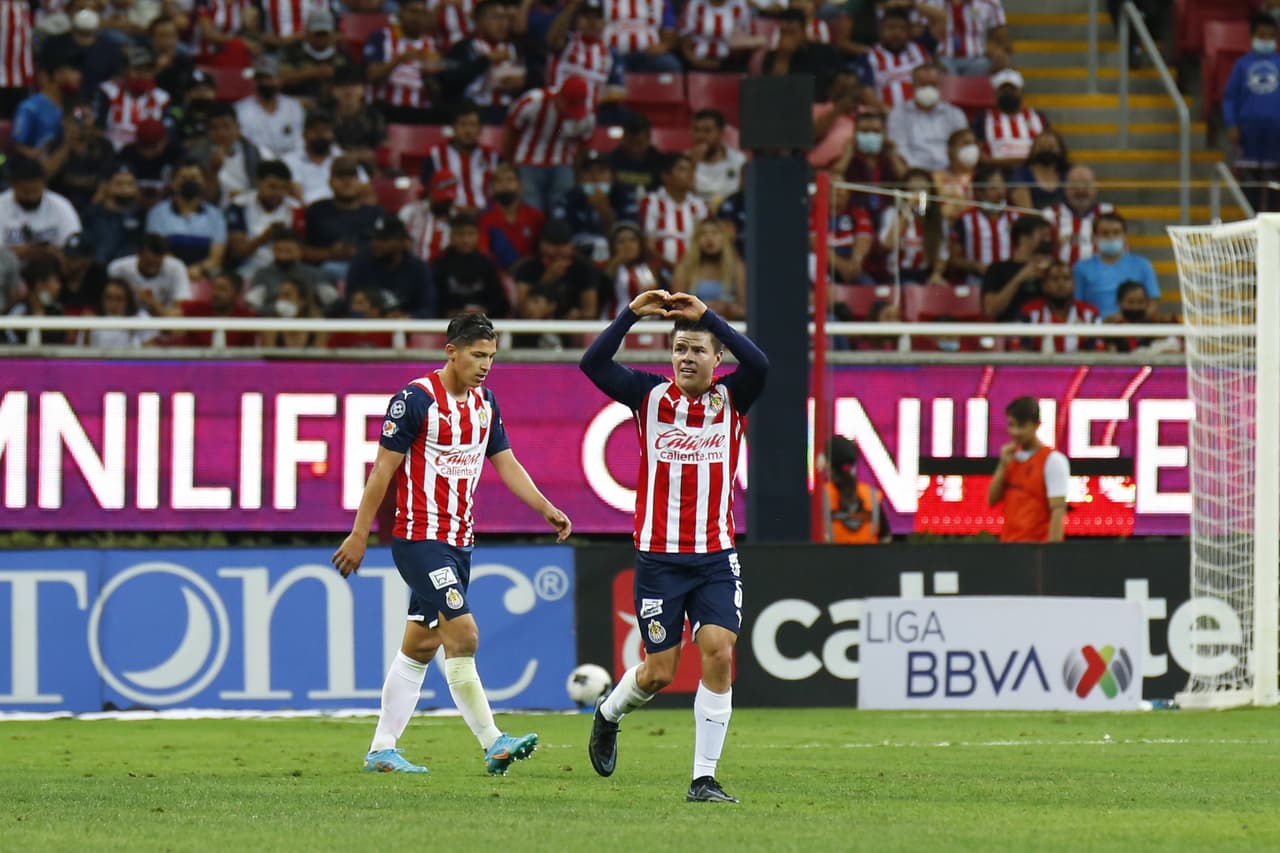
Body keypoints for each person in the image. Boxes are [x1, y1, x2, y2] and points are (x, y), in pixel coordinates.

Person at [332, 313, 571, 776]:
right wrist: (359, 533)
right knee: (464, 635)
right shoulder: (415, 400)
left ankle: (382, 748)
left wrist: (544, 507)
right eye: (477, 355)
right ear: (451, 352)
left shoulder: (485, 404)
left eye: (491, 357)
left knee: (420, 646)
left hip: (460, 542)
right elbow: (381, 470)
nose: (485, 365)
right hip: (420, 538)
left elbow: (506, 462)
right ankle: (493, 741)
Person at [579, 289, 768, 804]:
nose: (687, 358)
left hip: (715, 556)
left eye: (698, 349)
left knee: (719, 651)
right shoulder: (648, 396)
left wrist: (710, 317)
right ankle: (608, 713)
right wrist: (629, 315)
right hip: (659, 560)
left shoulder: (733, 399)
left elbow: (760, 363)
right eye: (680, 349)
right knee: (659, 672)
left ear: (717, 357)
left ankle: (703, 778)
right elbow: (593, 364)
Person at [502, 75, 596, 214]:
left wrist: (577, 171)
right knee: (532, 210)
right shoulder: (533, 101)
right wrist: (508, 161)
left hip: (563, 162)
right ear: (559, 97)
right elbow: (510, 130)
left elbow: (583, 145)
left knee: (563, 208)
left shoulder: (587, 115)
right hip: (527, 161)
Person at [988, 396, 1068, 544]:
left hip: (1036, 550)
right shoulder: (1010, 458)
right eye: (1011, 425)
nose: (1015, 432)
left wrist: (1052, 553)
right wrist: (1003, 466)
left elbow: (1058, 511)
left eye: (1021, 426)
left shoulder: (1053, 461)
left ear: (1037, 425)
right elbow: (991, 500)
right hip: (1008, 547)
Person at [1223, 14, 1280, 211]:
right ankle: (1251, 220)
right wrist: (1232, 124)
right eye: (1262, 36)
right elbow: (1230, 97)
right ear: (1252, 36)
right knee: (1249, 188)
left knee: (1274, 190)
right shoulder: (1242, 65)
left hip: (1276, 136)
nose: (1266, 40)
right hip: (1248, 135)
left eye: (1270, 36)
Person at [303, 156, 384, 280]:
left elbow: (386, 251)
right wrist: (331, 253)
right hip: (323, 275)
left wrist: (359, 253)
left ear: (360, 183)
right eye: (340, 177)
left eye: (352, 177)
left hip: (367, 274)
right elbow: (302, 252)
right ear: (330, 182)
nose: (347, 182)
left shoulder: (376, 213)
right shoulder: (316, 211)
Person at [445, 0, 527, 124]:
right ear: (479, 21)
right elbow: (450, 81)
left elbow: (536, 78)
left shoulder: (518, 48)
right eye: (496, 18)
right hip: (475, 113)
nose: (503, 24)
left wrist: (523, 82)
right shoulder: (463, 48)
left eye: (506, 18)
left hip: (510, 112)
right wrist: (486, 60)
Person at [363, 0, 444, 124]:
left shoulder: (431, 44)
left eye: (422, 13)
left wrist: (428, 77)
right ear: (401, 12)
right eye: (413, 12)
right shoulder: (381, 37)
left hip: (418, 109)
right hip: (385, 106)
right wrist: (400, 59)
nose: (418, 17)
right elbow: (372, 75)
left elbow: (435, 92)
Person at [145, 162, 228, 281]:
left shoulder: (216, 215)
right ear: (172, 183)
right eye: (183, 178)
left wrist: (199, 269)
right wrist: (182, 271)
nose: (189, 182)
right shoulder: (157, 213)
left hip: (203, 276)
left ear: (204, 182)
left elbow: (215, 258)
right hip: (167, 275)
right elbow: (158, 250)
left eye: (194, 178)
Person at [555, 149, 639, 262]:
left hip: (618, 255)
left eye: (601, 171)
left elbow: (630, 235)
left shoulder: (625, 197)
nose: (595, 177)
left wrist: (605, 211)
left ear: (612, 176)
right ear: (579, 177)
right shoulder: (567, 199)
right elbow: (561, 237)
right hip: (578, 256)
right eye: (588, 172)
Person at [1071, 211, 1159, 319]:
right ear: (1094, 237)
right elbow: (1077, 306)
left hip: (1133, 325)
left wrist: (1126, 321)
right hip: (1096, 326)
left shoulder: (1143, 265)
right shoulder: (1081, 268)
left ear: (1125, 236)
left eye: (1116, 232)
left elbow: (1153, 306)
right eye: (1105, 233)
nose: (1111, 237)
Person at [512, 219, 600, 325]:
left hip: (572, 328)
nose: (558, 250)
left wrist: (579, 315)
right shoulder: (528, 267)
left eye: (563, 244)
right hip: (534, 327)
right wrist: (547, 279)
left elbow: (591, 311)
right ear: (541, 244)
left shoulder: (583, 268)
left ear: (571, 245)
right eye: (553, 244)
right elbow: (520, 309)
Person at [348, 216, 438, 319]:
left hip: (406, 326)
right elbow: (350, 302)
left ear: (401, 242)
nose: (376, 244)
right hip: (367, 325)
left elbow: (429, 309)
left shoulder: (418, 269)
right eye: (375, 238)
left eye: (384, 240)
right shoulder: (361, 264)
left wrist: (407, 317)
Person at [225, 160, 302, 278]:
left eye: (283, 188)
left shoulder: (295, 208)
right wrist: (264, 237)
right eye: (272, 187)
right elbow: (237, 253)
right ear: (259, 183)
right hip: (247, 269)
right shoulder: (239, 205)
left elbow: (301, 251)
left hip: (285, 271)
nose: (278, 193)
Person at [886, 63, 968, 173]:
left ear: (940, 86)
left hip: (949, 172)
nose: (928, 89)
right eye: (923, 84)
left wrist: (947, 173)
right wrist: (919, 173)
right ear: (913, 86)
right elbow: (899, 148)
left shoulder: (955, 114)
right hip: (913, 173)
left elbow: (960, 147)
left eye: (933, 84)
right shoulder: (898, 114)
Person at [547, 0, 626, 112]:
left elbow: (619, 90)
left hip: (589, 114)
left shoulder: (611, 53)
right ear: (577, 19)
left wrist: (593, 97)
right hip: (556, 110)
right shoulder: (566, 42)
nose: (591, 22)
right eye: (586, 17)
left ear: (604, 22)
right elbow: (551, 39)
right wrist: (571, 8)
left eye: (597, 18)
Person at [188, 101, 273, 205]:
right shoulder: (196, 158)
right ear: (207, 132)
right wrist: (213, 171)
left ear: (238, 127)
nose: (221, 133)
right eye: (214, 128)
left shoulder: (259, 153)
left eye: (226, 126)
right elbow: (203, 200)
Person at [422, 105, 499, 215]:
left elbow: (499, 191)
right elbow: (429, 190)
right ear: (454, 128)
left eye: (473, 125)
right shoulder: (435, 155)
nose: (468, 130)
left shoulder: (492, 156)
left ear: (480, 129)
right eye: (463, 124)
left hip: (485, 217)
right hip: (447, 216)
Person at [0, 156, 83, 258]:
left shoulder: (60, 205)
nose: (31, 196)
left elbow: (74, 243)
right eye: (25, 191)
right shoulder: (2, 205)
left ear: (44, 185)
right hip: (9, 266)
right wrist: (18, 253)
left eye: (35, 191)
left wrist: (54, 252)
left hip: (50, 264)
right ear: (14, 185)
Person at [431, 213, 511, 318]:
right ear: (451, 236)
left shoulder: (487, 264)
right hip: (446, 323)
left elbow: (499, 301)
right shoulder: (439, 265)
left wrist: (485, 311)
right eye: (460, 234)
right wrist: (450, 313)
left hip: (483, 322)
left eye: (471, 234)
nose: (466, 240)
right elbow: (432, 301)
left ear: (478, 235)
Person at [879, 168, 949, 286]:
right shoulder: (892, 213)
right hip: (897, 275)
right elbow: (887, 243)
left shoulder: (938, 220)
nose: (918, 196)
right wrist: (907, 209)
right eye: (913, 190)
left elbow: (942, 254)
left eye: (923, 191)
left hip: (924, 275)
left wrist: (936, 274)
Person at [641, 153, 709, 273]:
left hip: (695, 270)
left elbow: (706, 239)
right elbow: (648, 245)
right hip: (660, 270)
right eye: (683, 170)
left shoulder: (699, 205)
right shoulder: (652, 202)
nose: (690, 175)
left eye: (692, 170)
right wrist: (672, 267)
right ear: (666, 176)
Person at [284, 110, 370, 204]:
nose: (320, 134)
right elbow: (295, 193)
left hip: (342, 208)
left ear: (333, 134)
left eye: (325, 130)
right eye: (315, 130)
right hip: (306, 209)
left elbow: (365, 188)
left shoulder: (344, 159)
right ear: (304, 133)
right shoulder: (289, 161)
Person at [836, 108, 908, 218]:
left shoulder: (892, 159)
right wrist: (847, 154)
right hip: (854, 216)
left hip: (889, 216)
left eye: (876, 132)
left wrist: (893, 155)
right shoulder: (848, 160)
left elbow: (907, 180)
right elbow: (834, 177)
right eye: (864, 132)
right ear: (855, 134)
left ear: (884, 134)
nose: (870, 135)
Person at [1017, 260, 1101, 353]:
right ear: (1044, 285)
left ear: (1074, 284)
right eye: (1054, 279)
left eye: (1066, 278)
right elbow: (1021, 352)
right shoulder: (1030, 312)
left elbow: (1098, 354)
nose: (1061, 284)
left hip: (1079, 362)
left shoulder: (1089, 313)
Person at [246, 228, 339, 312]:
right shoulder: (262, 275)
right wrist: (276, 307)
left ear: (300, 251)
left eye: (288, 251)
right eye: (278, 250)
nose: (283, 256)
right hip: (272, 321)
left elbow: (332, 307)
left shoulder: (316, 275)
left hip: (309, 321)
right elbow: (253, 310)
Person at [670, 219, 745, 320]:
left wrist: (728, 309)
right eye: (703, 234)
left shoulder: (737, 268)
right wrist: (704, 309)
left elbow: (745, 310)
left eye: (715, 233)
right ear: (696, 240)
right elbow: (677, 308)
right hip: (694, 326)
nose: (709, 238)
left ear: (724, 238)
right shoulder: (685, 268)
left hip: (729, 325)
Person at [980, 213, 1049, 322]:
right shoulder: (997, 269)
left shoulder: (1050, 269)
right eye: (1042, 236)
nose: (1047, 241)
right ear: (1023, 238)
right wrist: (1019, 278)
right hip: (1009, 327)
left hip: (1044, 327)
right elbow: (990, 309)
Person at [953, 164, 1018, 279]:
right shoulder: (965, 219)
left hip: (1010, 280)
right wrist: (975, 266)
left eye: (1002, 187)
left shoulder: (1016, 217)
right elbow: (954, 258)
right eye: (993, 188)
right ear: (979, 192)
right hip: (977, 280)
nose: (1000, 193)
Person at [761, 7, 841, 101]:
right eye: (783, 32)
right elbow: (773, 91)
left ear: (803, 32)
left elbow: (839, 77)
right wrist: (783, 57)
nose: (786, 38)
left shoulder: (823, 51)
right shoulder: (772, 57)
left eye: (791, 32)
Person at [236, 55, 307, 159]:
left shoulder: (293, 107)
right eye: (260, 78)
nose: (264, 83)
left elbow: (299, 142)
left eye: (269, 78)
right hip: (257, 162)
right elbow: (245, 145)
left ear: (279, 79)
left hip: (291, 161)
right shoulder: (241, 109)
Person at [478, 163, 547, 269]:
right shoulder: (484, 218)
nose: (504, 185)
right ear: (492, 188)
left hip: (530, 272)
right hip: (496, 274)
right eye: (499, 181)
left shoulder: (536, 216)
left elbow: (543, 251)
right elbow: (484, 254)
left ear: (520, 186)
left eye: (510, 180)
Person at [975, 68, 1047, 170]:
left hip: (1033, 173)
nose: (1008, 93)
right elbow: (979, 153)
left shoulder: (1038, 118)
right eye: (1004, 90)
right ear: (995, 93)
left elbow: (1047, 150)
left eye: (1013, 89)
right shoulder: (983, 119)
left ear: (1022, 91)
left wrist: (994, 161)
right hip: (996, 173)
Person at [11, 57, 82, 161]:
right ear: (51, 76)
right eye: (71, 71)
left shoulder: (75, 106)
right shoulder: (29, 108)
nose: (78, 76)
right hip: (39, 166)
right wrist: (36, 155)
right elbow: (17, 146)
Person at [106, 233, 193, 316]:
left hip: (163, 321)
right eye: (148, 263)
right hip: (129, 320)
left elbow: (180, 312)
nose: (152, 269)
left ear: (164, 257)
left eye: (157, 264)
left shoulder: (177, 268)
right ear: (138, 254)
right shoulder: (118, 269)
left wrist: (152, 303)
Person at [1042, 166, 1113, 266]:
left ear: (1095, 188)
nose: (1080, 190)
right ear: (1065, 188)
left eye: (1086, 185)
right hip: (1062, 274)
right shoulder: (1050, 214)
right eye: (1074, 185)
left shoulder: (1108, 212)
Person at [280, 8, 353, 105]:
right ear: (307, 32)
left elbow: (352, 83)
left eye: (324, 34)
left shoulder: (342, 54)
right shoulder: (293, 51)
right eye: (317, 34)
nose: (321, 38)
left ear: (333, 34)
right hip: (298, 102)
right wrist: (312, 73)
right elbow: (283, 79)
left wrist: (335, 74)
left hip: (333, 104)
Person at [919, 0, 1009, 77]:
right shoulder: (928, 2)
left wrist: (999, 51)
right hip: (942, 57)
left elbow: (1001, 33)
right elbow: (918, 31)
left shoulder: (989, 2)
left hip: (977, 58)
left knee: (991, 64)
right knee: (932, 67)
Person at [864, 7, 930, 111]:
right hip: (885, 115)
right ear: (880, 30)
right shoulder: (869, 56)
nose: (897, 32)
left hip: (922, 114)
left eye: (902, 28)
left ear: (909, 31)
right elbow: (867, 93)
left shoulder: (920, 51)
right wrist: (892, 115)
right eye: (891, 27)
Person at [826, 435, 886, 544]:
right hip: (869, 554)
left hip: (828, 554)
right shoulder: (871, 495)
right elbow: (885, 537)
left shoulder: (821, 496)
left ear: (827, 463)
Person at [80, 169, 146, 266]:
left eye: (130, 184)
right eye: (119, 184)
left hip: (129, 270)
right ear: (106, 186)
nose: (125, 189)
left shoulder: (142, 215)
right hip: (97, 269)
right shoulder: (92, 215)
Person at [178, 270, 258, 347]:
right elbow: (176, 311)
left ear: (236, 293)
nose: (216, 293)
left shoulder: (247, 318)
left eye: (222, 289)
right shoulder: (196, 309)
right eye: (214, 288)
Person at [1104, 280, 1181, 354]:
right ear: (1119, 302)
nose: (1136, 307)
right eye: (1130, 302)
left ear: (1147, 302)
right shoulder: (1111, 327)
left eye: (1140, 302)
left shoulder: (1156, 325)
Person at [689, 109, 746, 210]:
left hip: (730, 214)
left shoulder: (739, 160)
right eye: (697, 130)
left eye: (707, 131)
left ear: (721, 132)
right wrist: (692, 165)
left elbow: (743, 197)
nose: (701, 136)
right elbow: (683, 199)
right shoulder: (684, 162)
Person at [602, 0, 681, 72]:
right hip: (613, 55)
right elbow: (595, 24)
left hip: (648, 56)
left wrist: (662, 46)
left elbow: (669, 30)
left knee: (669, 65)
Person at [605, 221, 661, 319]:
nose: (627, 245)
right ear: (613, 246)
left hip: (650, 324)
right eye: (621, 242)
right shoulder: (606, 270)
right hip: (616, 322)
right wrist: (615, 264)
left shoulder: (652, 268)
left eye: (633, 240)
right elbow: (602, 292)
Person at [402, 170, 460, 263]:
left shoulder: (457, 219)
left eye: (448, 200)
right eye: (441, 199)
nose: (444, 204)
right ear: (430, 192)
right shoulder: (409, 213)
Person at [678, 0, 754, 72]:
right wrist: (695, 60)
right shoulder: (695, 4)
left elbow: (746, 37)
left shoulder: (738, 5)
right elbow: (684, 37)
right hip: (696, 61)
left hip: (730, 63)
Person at [82, 278, 158, 348]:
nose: (113, 304)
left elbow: (150, 349)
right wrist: (87, 332)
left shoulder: (140, 317)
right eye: (108, 297)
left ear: (128, 301)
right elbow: (83, 353)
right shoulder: (92, 320)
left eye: (119, 299)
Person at [1008, 128, 1069, 210]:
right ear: (1033, 150)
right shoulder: (1021, 174)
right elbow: (1027, 211)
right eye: (1042, 147)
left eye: (1051, 147)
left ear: (1060, 150)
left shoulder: (1067, 174)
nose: (1046, 150)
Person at [608, 113, 664, 195]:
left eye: (639, 143)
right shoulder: (611, 160)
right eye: (630, 142)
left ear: (648, 139)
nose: (634, 149)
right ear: (623, 138)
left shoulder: (660, 162)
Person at [934, 126, 980, 222]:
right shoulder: (936, 178)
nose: (971, 148)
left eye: (974, 143)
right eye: (966, 143)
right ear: (950, 150)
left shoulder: (982, 178)